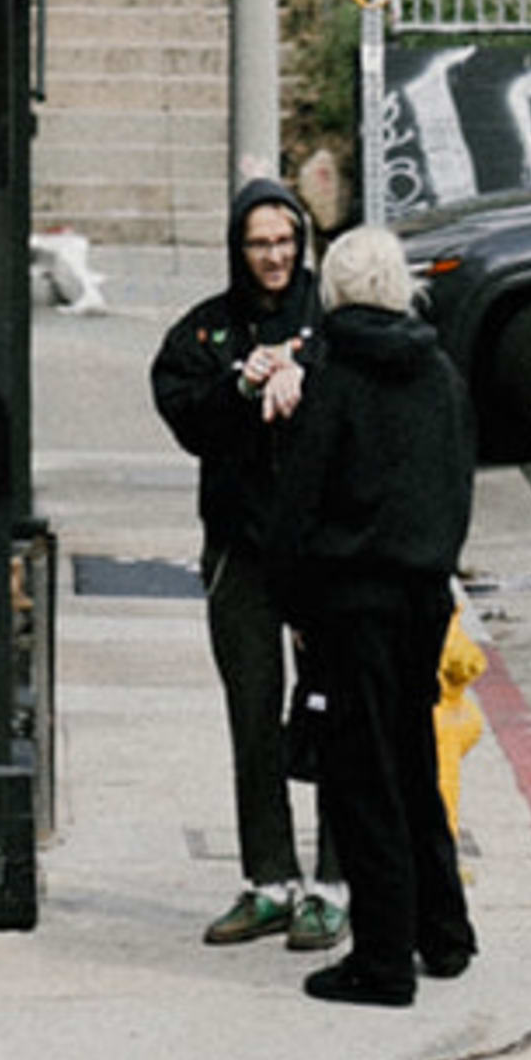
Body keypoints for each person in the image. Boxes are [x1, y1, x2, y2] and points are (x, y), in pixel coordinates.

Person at [258, 228, 478, 1009]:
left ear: (338, 294)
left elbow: (299, 504)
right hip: (422, 594)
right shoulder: (440, 373)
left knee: (361, 777)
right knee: (414, 761)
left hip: (350, 601)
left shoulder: (332, 377)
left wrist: (295, 603)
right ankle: (444, 932)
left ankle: (381, 959)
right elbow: (460, 483)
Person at [148, 175, 345, 954]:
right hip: (241, 550)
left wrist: (309, 379)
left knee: (330, 713)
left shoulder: (330, 324)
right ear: (238, 248)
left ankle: (334, 882)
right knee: (253, 714)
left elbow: (370, 404)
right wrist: (242, 382)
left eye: (286, 243)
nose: (274, 257)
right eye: (260, 244)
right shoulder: (208, 331)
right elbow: (183, 411)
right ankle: (270, 878)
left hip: (322, 551)